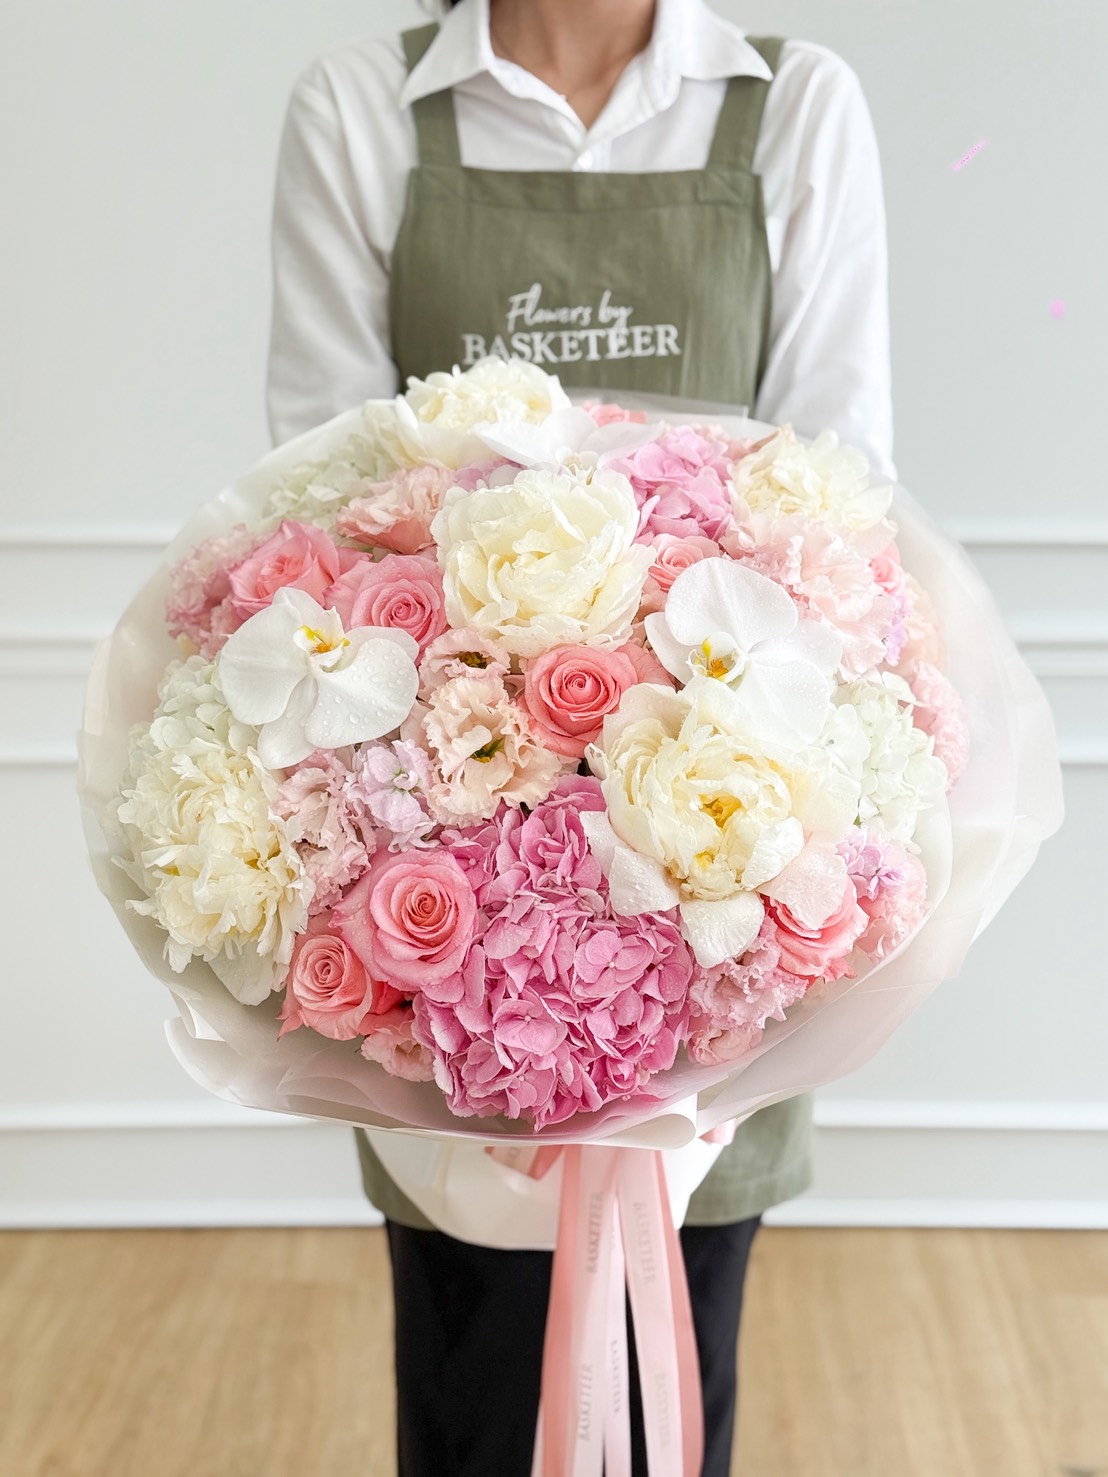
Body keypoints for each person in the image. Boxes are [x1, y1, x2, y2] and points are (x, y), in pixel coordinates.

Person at [265, 1, 897, 1471]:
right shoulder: (369, 111)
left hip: (718, 839)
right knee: (472, 1358)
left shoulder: (790, 110)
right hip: (444, 847)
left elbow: (846, 500)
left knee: (684, 1334)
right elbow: (309, 498)